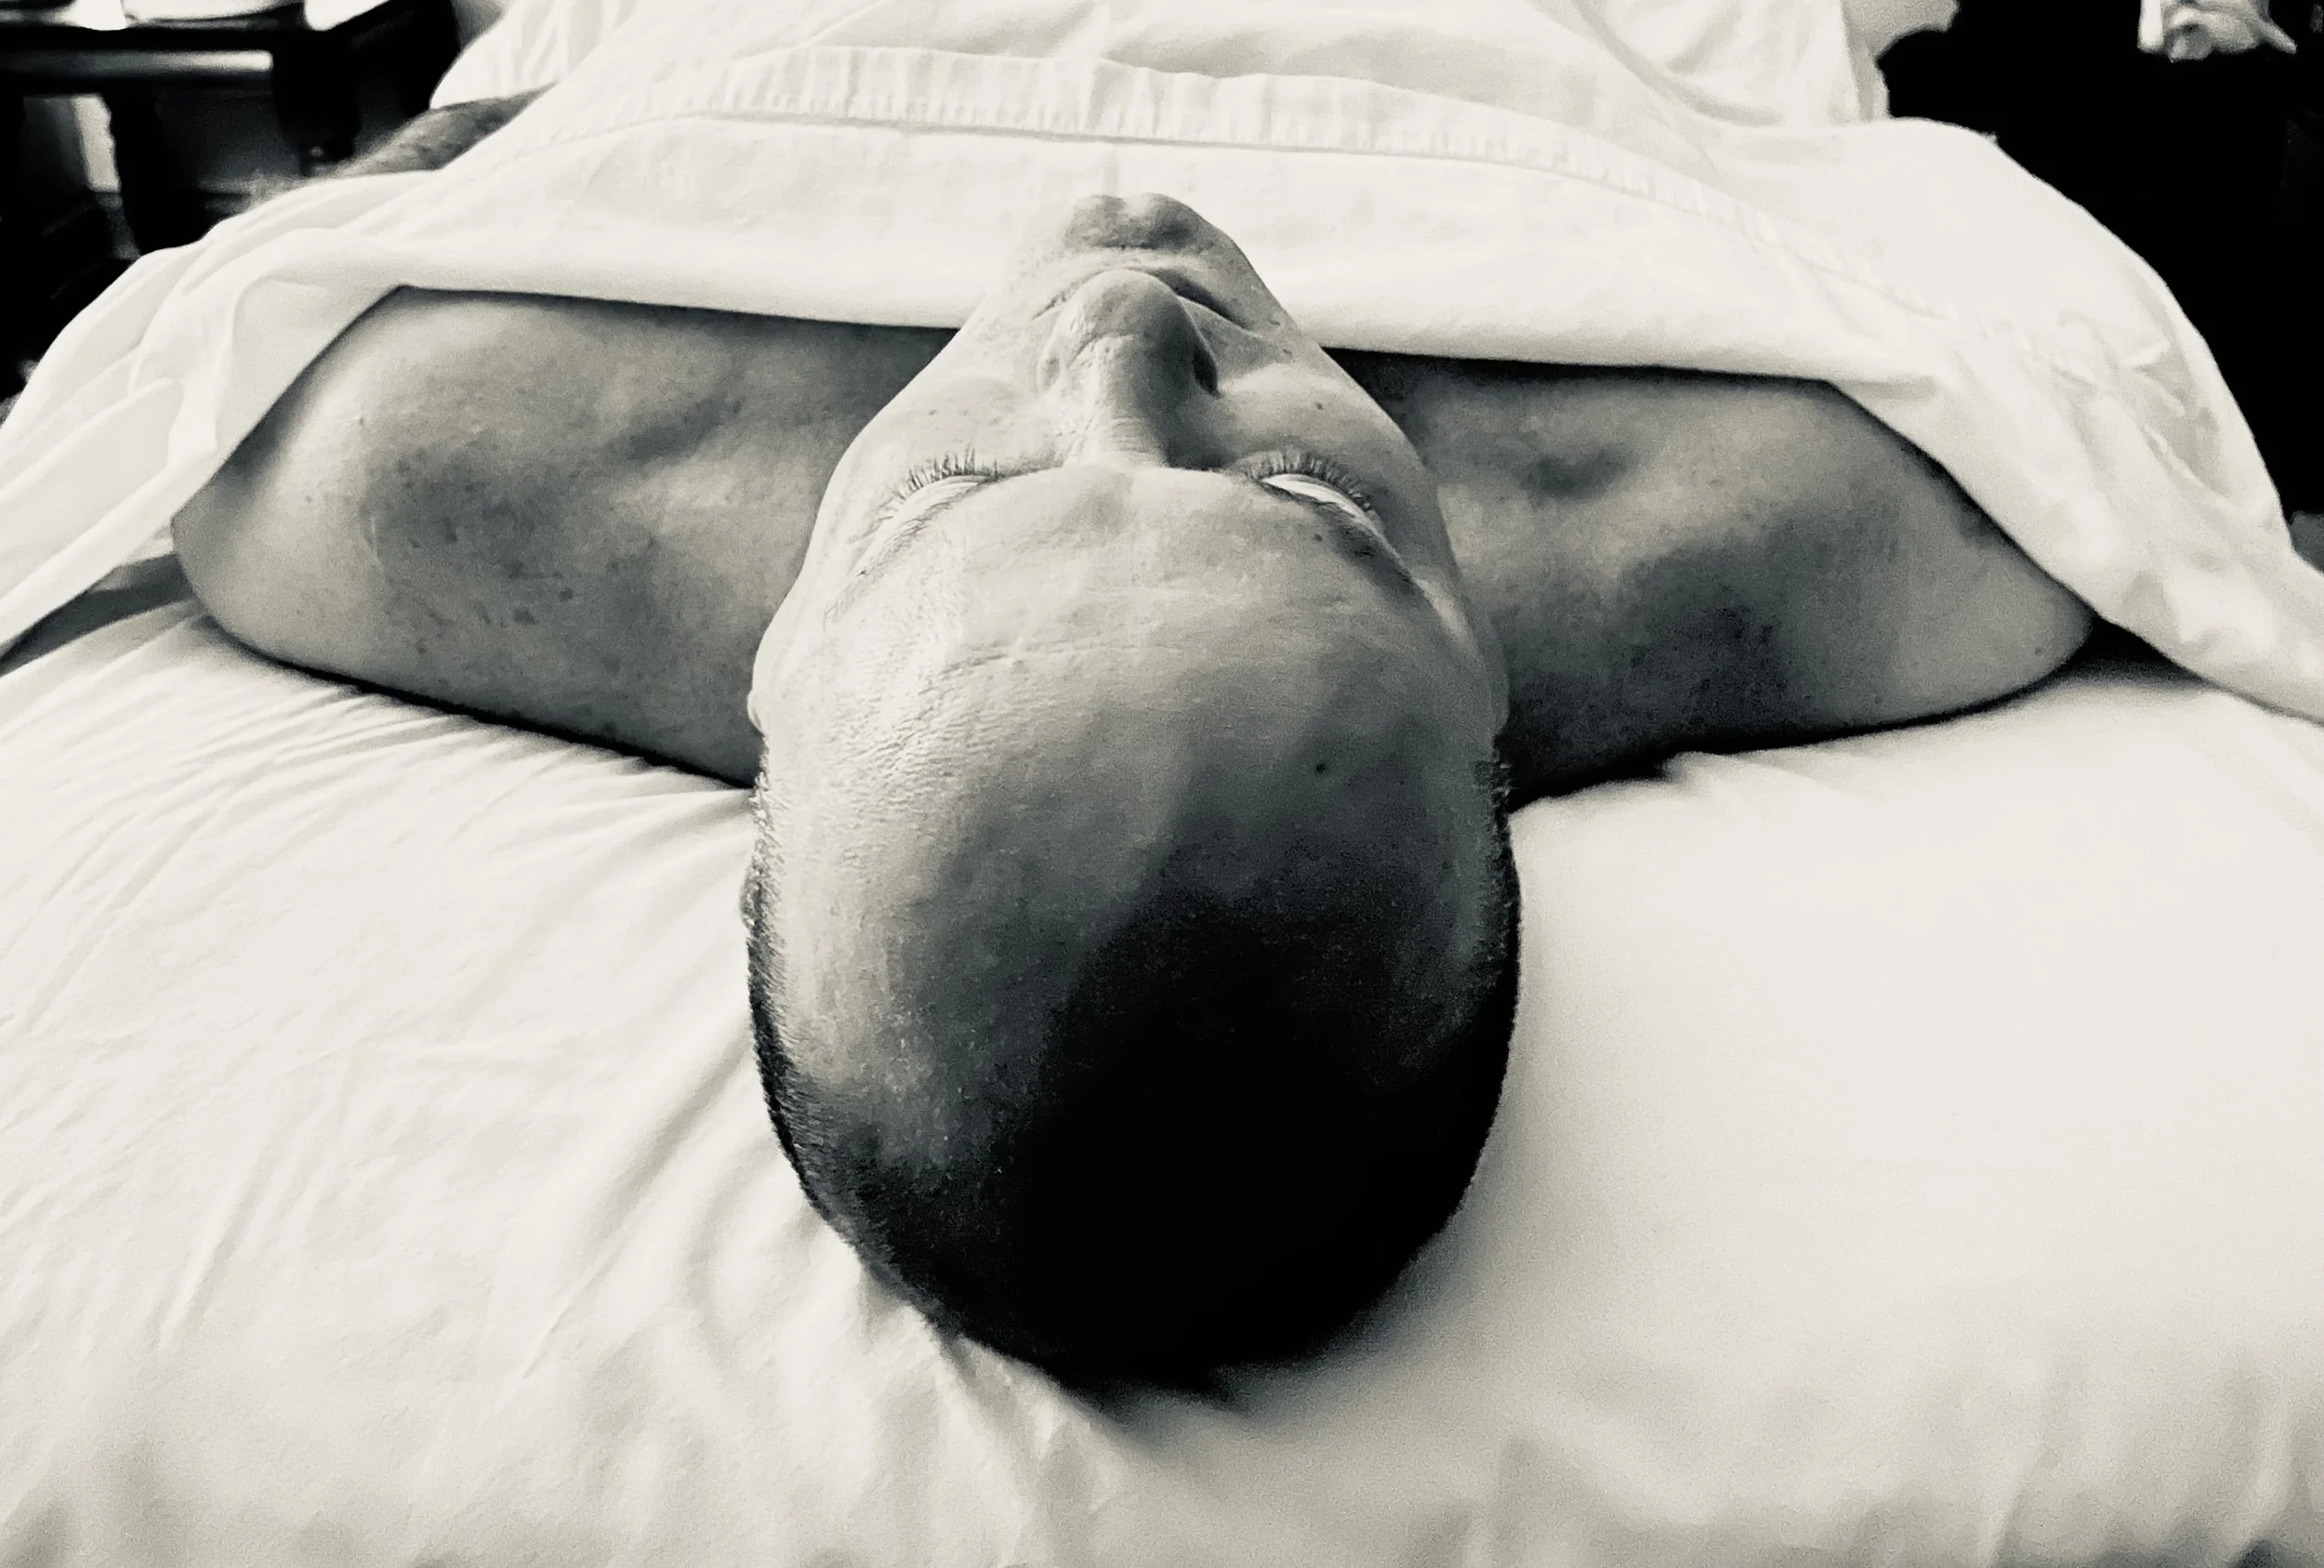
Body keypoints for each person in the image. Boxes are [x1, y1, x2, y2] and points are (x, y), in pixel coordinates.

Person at [171, 99, 2093, 1385]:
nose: (1107, 331)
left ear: (775, 669)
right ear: (1481, 686)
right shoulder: (1877, 546)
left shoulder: (381, 472)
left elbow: (383, 203)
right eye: (1298, 500)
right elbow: (1991, 259)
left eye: (943, 500)